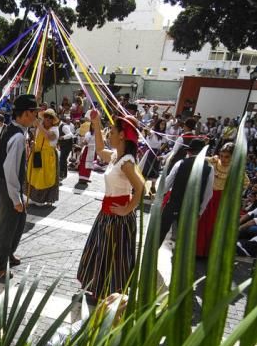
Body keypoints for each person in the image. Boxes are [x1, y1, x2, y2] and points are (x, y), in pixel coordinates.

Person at [77, 113, 144, 300]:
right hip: (107, 214)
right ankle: (101, 290)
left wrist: (126, 209)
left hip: (117, 218)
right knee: (102, 252)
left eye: (112, 131)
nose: (110, 135)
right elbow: (99, 149)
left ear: (122, 135)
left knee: (113, 256)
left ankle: (109, 293)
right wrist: (96, 123)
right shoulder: (116, 157)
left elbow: (140, 189)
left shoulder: (126, 162)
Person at [0, 94, 38, 282]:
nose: (36, 117)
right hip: (8, 185)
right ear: (25, 114)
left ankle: (8, 255)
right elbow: (9, 170)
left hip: (10, 184)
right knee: (7, 227)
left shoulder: (18, 131)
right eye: (34, 113)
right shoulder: (16, 136)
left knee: (19, 221)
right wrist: (16, 198)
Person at [160, 139, 213, 246]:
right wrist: (199, 211)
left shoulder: (181, 163)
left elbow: (166, 185)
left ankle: (152, 256)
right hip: (192, 209)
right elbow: (208, 194)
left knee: (160, 233)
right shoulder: (209, 168)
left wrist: (162, 196)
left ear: (189, 152)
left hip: (174, 204)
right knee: (184, 240)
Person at [196, 142, 234, 256]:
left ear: (232, 157)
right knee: (201, 223)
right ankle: (198, 250)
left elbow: (245, 183)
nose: (223, 159)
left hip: (221, 200)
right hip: (208, 197)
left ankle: (210, 252)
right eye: (222, 155)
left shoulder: (235, 168)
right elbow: (199, 158)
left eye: (227, 157)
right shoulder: (214, 161)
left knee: (214, 225)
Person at [26, 108, 59, 206]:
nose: (48, 119)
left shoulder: (54, 129)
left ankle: (44, 199)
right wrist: (33, 143)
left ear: (53, 120)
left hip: (48, 157)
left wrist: (38, 125)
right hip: (37, 154)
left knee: (45, 178)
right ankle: (32, 197)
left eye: (50, 117)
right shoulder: (39, 128)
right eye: (46, 116)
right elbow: (36, 139)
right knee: (34, 176)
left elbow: (49, 136)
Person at [58, 114, 74, 181]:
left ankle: (62, 174)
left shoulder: (64, 126)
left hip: (67, 145)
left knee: (62, 159)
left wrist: (63, 137)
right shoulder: (59, 126)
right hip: (63, 145)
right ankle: (63, 174)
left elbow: (70, 135)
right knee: (63, 159)